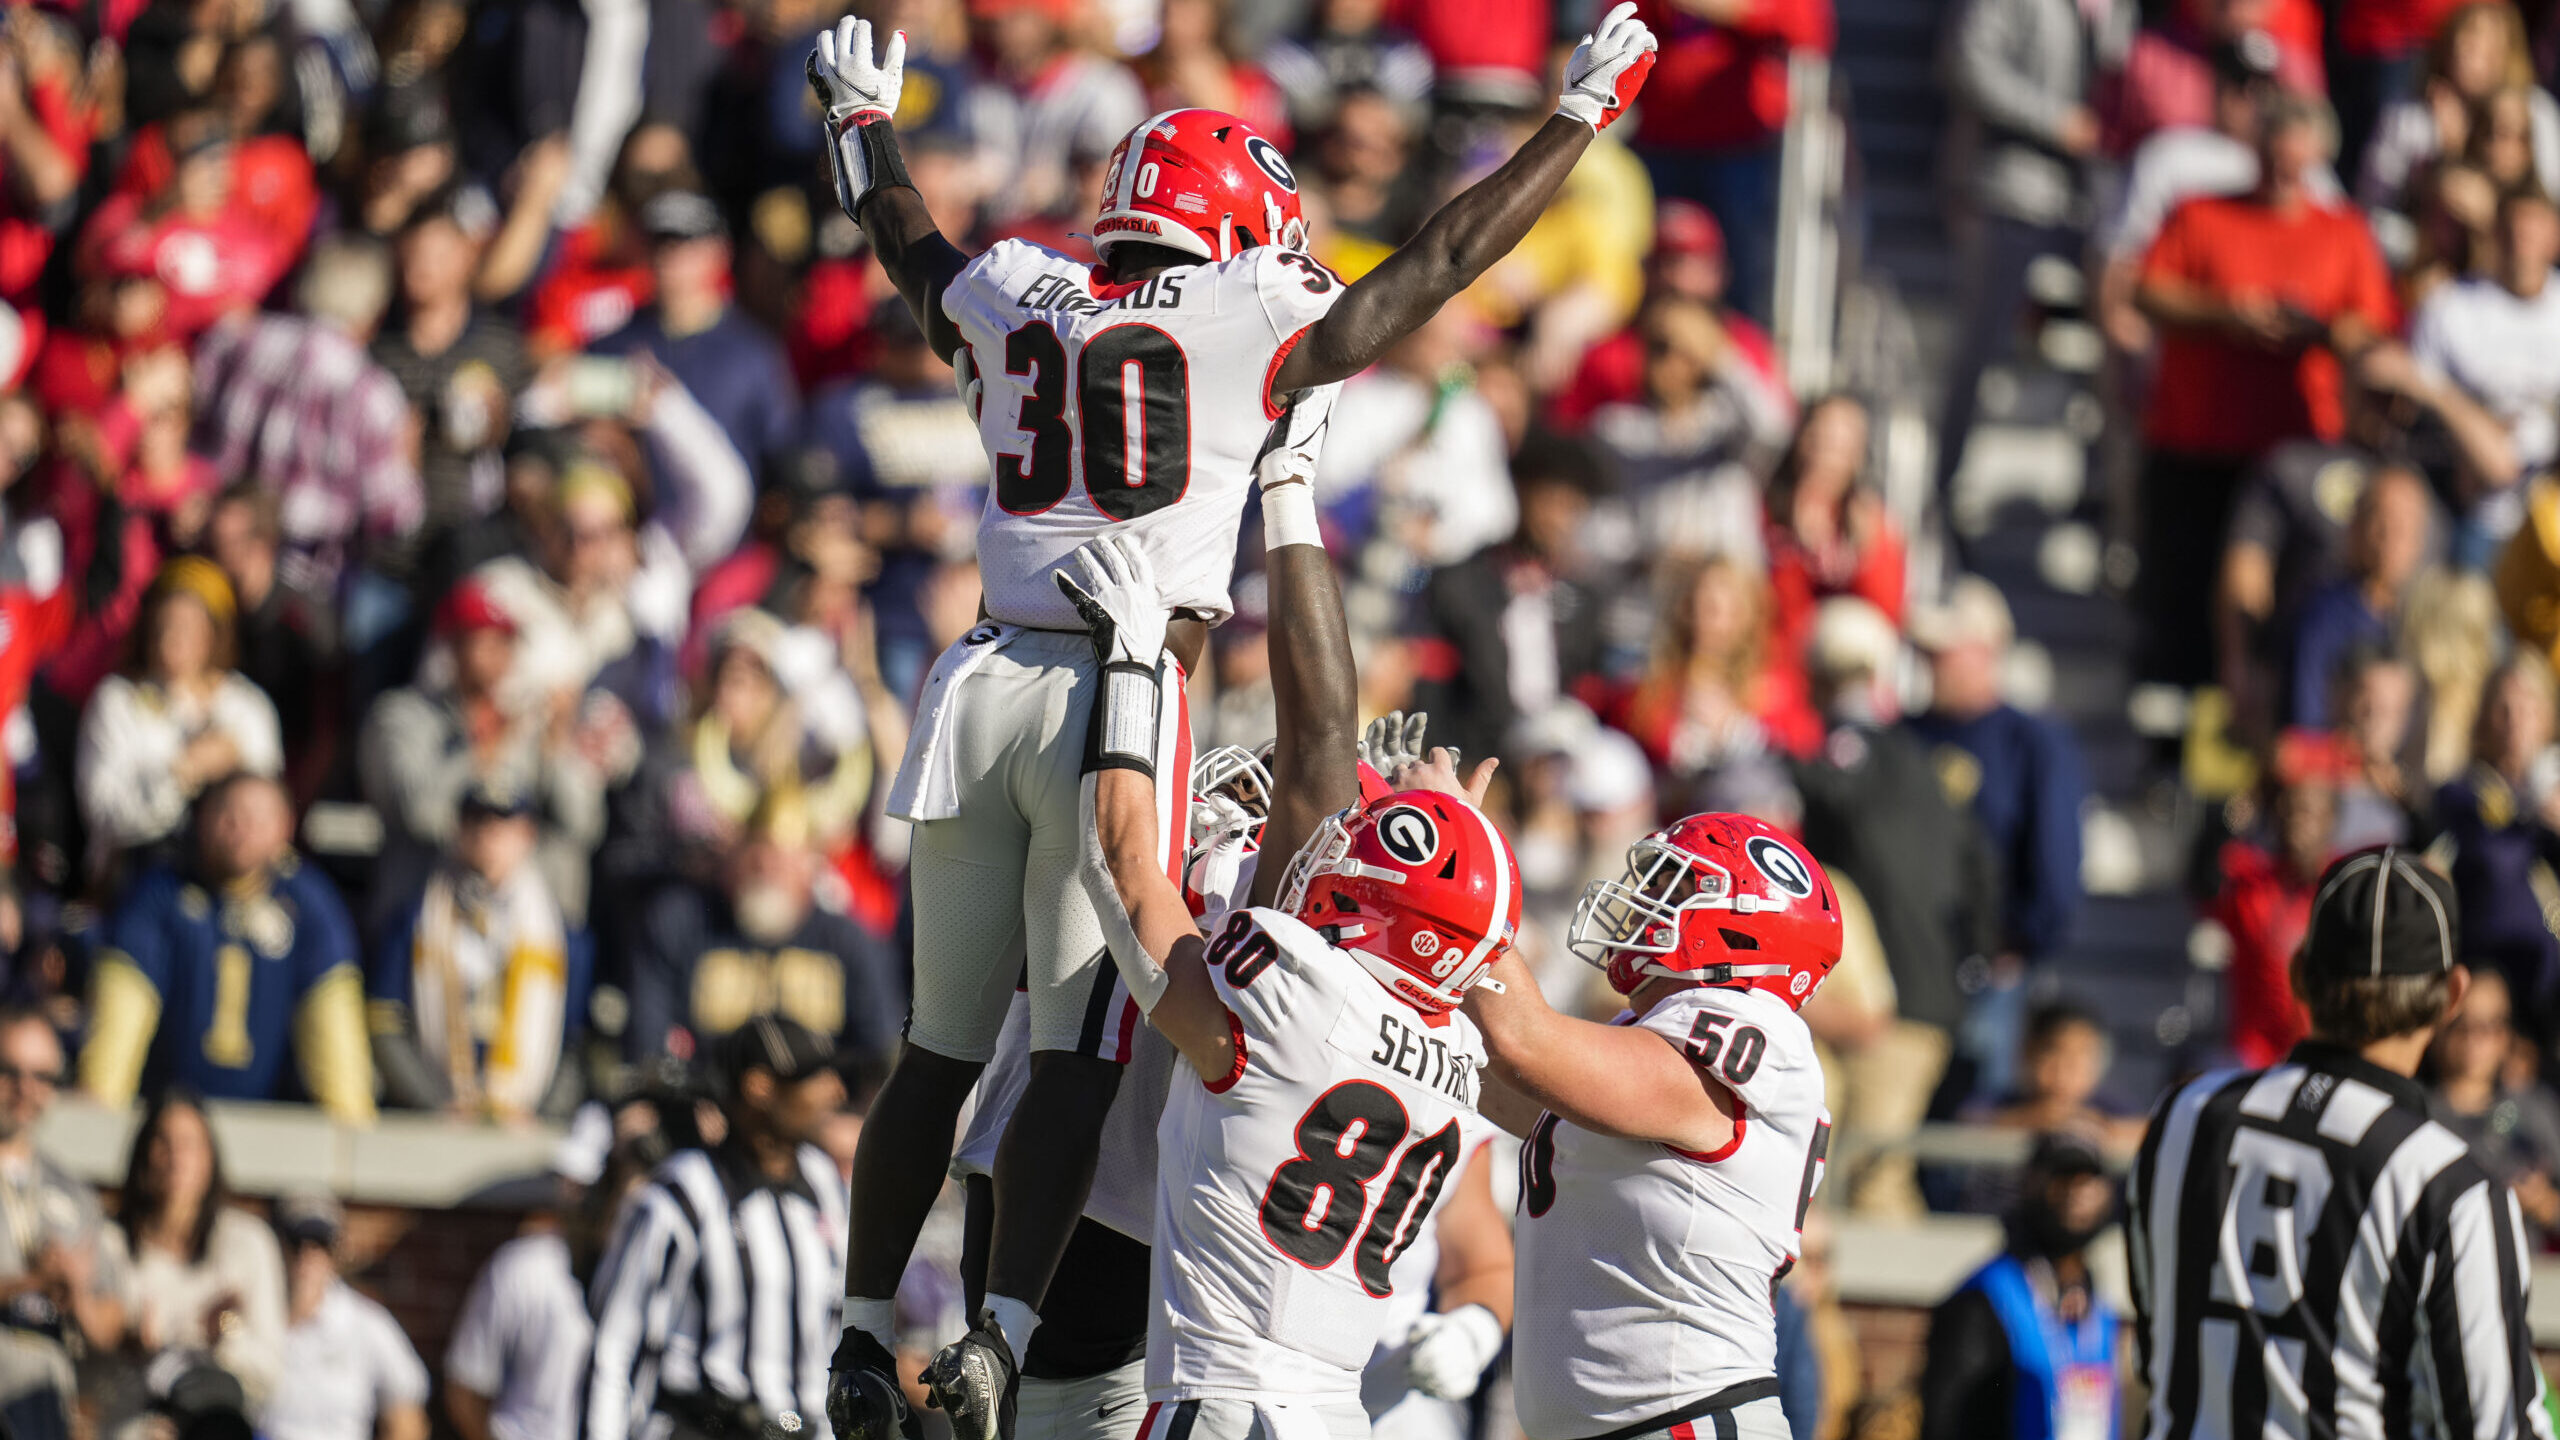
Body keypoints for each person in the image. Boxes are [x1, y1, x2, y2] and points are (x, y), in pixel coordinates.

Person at [805, 9, 1662, 1431]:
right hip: (1118, 681)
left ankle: (858, 1326)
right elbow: (1442, 262)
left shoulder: (1021, 286)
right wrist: (1577, 120)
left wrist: (860, 131)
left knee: (937, 1045)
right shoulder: (1246, 313)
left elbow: (911, 250)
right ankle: (999, 1332)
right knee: (1078, 1047)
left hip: (981, 679)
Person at [1069, 551, 1513, 1440]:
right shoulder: (1464, 1047)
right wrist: (1454, 840)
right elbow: (1460, 945)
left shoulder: (1285, 992)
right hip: (1340, 1414)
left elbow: (1124, 868)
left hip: (1224, 1404)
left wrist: (1127, 675)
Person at [2129, 845, 2557, 1439]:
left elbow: (2158, 1349)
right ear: (2452, 995)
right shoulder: (2449, 1186)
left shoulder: (2182, 1117)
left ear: (2299, 974)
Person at [1464, 811, 1840, 1440]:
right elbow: (1495, 1078)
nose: (1644, 903)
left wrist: (1457, 865)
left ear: (1743, 927)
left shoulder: (1759, 1029)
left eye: (1674, 888)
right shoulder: (1642, 1038)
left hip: (1685, 1419)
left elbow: (1523, 1043)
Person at [2134, 91, 2398, 686]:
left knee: (2277, 602)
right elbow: (2148, 291)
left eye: (2296, 161)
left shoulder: (2343, 233)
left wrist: (2316, 329)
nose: (2283, 172)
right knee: (2183, 596)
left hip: (2295, 452)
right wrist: (2227, 314)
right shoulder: (2201, 214)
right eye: (2275, 157)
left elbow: (2372, 331)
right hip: (2196, 442)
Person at [585, 1016, 847, 1440]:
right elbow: (616, 1348)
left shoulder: (824, 1184)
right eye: (813, 1077)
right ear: (759, 1087)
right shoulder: (683, 1193)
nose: (836, 1091)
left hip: (801, 1429)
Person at [81, 773, 374, 1121]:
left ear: (286, 827)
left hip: (272, 1127)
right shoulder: (159, 895)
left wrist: (351, 1129)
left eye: (257, 818)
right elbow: (118, 1023)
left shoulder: (310, 905)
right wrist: (99, 1116)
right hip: (164, 1120)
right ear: (202, 818)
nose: (240, 828)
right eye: (228, 813)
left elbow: (335, 1034)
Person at [1905, 577, 2088, 1097]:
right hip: (1907, 966)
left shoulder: (2033, 741)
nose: (1932, 663)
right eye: (1927, 652)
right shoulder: (1905, 736)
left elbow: (2056, 858)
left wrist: (2020, 942)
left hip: (1988, 972)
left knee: (1973, 1108)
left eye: (1945, 650)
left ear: (1988, 650)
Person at [624, 792, 903, 1069]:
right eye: (757, 853)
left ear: (811, 866)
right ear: (734, 856)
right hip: (705, 1093)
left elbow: (880, 1053)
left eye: (783, 858)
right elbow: (648, 1048)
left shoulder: (850, 941)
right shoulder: (679, 923)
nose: (767, 869)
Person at [366, 781, 571, 1121]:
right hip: (438, 1111)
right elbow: (387, 1021)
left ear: (528, 835)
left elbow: (574, 1039)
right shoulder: (415, 918)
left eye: (502, 826)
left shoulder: (559, 932)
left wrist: (544, 1111)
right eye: (476, 823)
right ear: (457, 831)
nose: (487, 836)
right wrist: (430, 1102)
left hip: (524, 1117)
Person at [74, 557, 284, 879]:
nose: (171, 639)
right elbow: (103, 814)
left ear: (214, 633)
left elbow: (269, 808)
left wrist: (235, 764)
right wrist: (181, 774)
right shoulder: (117, 701)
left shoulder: (246, 706)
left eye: (188, 626)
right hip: (138, 872)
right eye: (164, 624)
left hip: (231, 877)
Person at [1918, 1130, 2122, 1440]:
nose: (2075, 1193)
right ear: (2030, 1184)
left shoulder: (2096, 1305)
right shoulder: (1985, 1298)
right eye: (2061, 1179)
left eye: (2086, 1180)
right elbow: (1945, 1421)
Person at [100, 1090, 289, 1421]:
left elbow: (270, 1372)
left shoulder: (248, 1242)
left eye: (189, 1144)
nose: (176, 1157)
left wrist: (226, 1334)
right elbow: (86, 1373)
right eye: (163, 1142)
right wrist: (128, 1342)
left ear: (210, 1157)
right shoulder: (108, 1243)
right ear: (142, 1153)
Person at [0, 1009, 124, 1440]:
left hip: (45, 1410)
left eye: (43, 1077)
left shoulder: (73, 1191)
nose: (25, 1089)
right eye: (8, 1071)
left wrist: (78, 1293)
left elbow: (110, 1322)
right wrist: (31, 1282)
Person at [444, 1134, 599, 1440]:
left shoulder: (652, 1263)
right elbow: (465, 1388)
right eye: (566, 1183)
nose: (571, 1196)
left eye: (587, 1186)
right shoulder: (523, 1265)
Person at [255, 1192, 430, 1440]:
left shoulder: (367, 1323)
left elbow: (407, 1418)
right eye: (295, 1241)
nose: (307, 1256)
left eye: (320, 1243)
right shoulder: (249, 1315)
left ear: (335, 1251)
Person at [2426, 967, 2560, 1239]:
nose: (2473, 1038)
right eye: (2460, 1023)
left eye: (2489, 1025)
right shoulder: (2420, 1115)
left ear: (2507, 1035)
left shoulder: (2536, 1109)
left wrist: (2546, 1204)